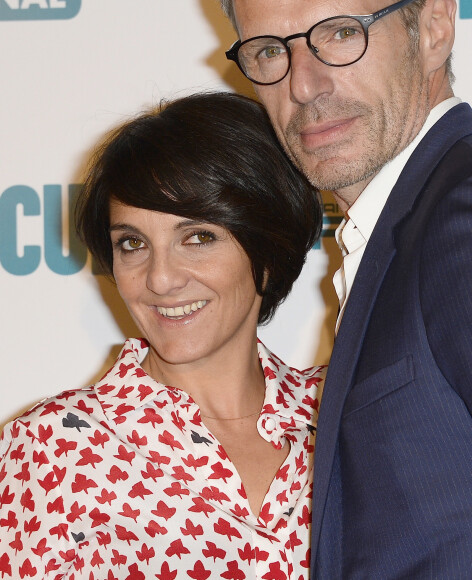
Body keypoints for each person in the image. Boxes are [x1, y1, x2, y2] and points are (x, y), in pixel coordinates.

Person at [219, 0, 472, 577]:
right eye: (269, 51)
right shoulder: (402, 237)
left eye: (339, 34)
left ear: (434, 26)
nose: (304, 86)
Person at [0, 91, 325, 579]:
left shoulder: (342, 414)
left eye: (198, 238)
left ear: (268, 248)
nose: (160, 279)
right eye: (132, 244)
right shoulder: (53, 447)